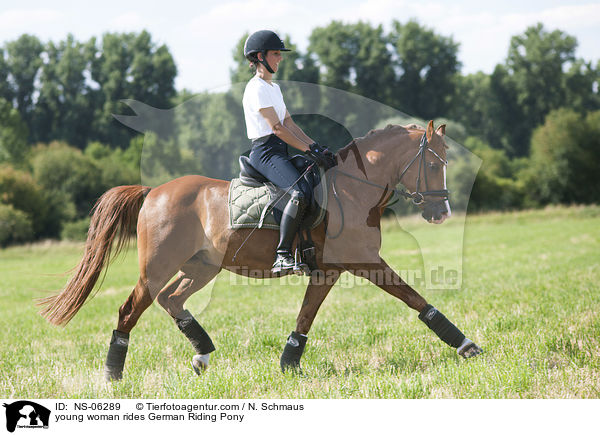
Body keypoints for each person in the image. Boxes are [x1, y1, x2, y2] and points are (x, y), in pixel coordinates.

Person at [242, 30, 335, 276]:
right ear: (260, 56)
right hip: (265, 152)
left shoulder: (274, 87)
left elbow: (290, 124)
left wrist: (316, 146)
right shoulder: (257, 88)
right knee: (297, 192)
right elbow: (276, 128)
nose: (280, 58)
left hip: (280, 149)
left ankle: (306, 249)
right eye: (275, 54)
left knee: (312, 182)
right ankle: (282, 256)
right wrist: (306, 148)